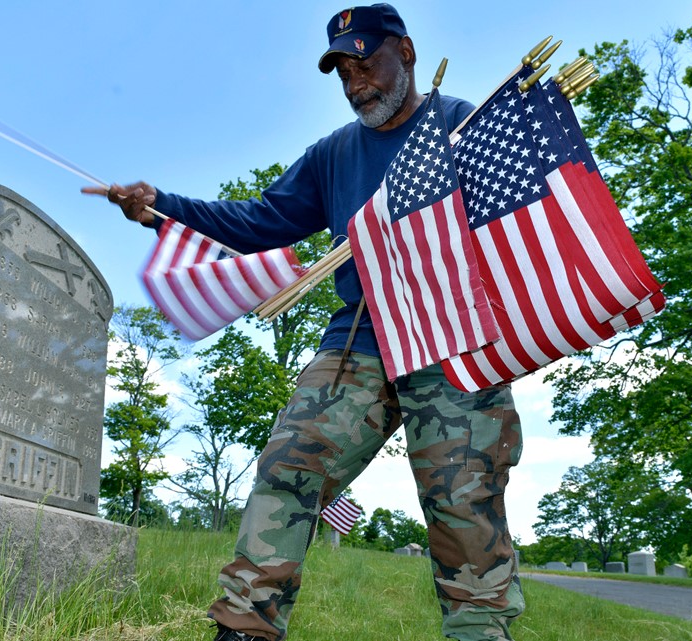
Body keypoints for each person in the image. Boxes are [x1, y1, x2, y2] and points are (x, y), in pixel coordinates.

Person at [85, 5, 524, 640]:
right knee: (289, 468)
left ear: (407, 52)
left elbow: (520, 231)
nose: (355, 82)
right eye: (342, 70)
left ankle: (481, 632)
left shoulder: (466, 126)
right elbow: (260, 221)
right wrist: (162, 209)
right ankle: (244, 626)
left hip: (452, 334)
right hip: (360, 338)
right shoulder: (333, 154)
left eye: (366, 62)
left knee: (462, 498)